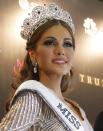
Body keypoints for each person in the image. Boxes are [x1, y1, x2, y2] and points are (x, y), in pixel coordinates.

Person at [0, 3, 93, 131]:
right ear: (33, 55)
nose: (61, 50)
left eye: (67, 44)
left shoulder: (76, 108)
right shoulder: (32, 98)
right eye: (50, 42)